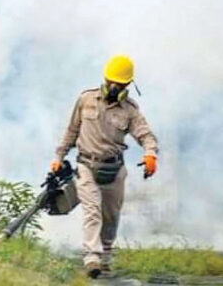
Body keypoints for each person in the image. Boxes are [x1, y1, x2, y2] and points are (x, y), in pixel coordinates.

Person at [50, 55, 158, 279]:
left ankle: (105, 257)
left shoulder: (130, 110)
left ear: (127, 86)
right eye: (111, 82)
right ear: (105, 79)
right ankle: (92, 258)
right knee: (93, 211)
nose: (114, 87)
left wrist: (150, 154)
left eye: (119, 84)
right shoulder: (86, 100)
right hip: (86, 165)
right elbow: (71, 130)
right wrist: (59, 157)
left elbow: (145, 135)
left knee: (111, 216)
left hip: (114, 169)